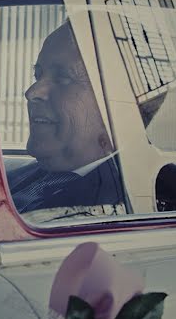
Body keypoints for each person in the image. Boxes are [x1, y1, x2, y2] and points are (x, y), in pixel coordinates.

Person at [8, 23, 124, 215]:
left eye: (63, 78)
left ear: (115, 102)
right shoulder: (20, 176)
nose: (31, 92)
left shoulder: (128, 202)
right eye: (38, 76)